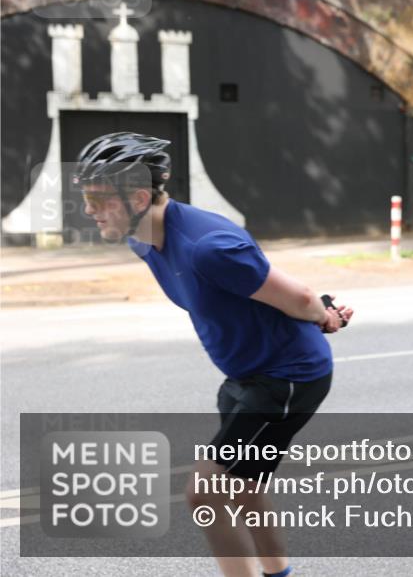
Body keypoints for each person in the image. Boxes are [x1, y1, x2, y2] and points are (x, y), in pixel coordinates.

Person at [74, 131, 352, 577]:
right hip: (244, 376)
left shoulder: (210, 246)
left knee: (204, 492)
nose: (88, 209)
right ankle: (277, 571)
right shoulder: (143, 239)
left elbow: (296, 295)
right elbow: (240, 295)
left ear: (140, 197)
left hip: (286, 378)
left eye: (98, 198)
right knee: (242, 486)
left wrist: (324, 315)